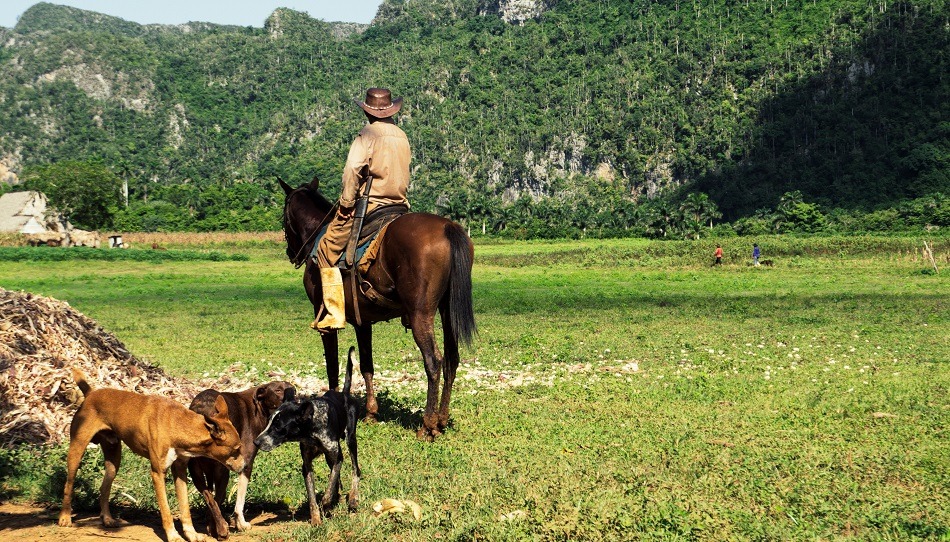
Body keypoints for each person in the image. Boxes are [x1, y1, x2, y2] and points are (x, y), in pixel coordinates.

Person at [313, 88, 411, 332]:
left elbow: (353, 170)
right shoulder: (402, 135)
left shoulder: (366, 135)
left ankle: (334, 313)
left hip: (372, 205)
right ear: (390, 110)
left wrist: (346, 204)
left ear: (368, 112)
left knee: (326, 248)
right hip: (399, 206)